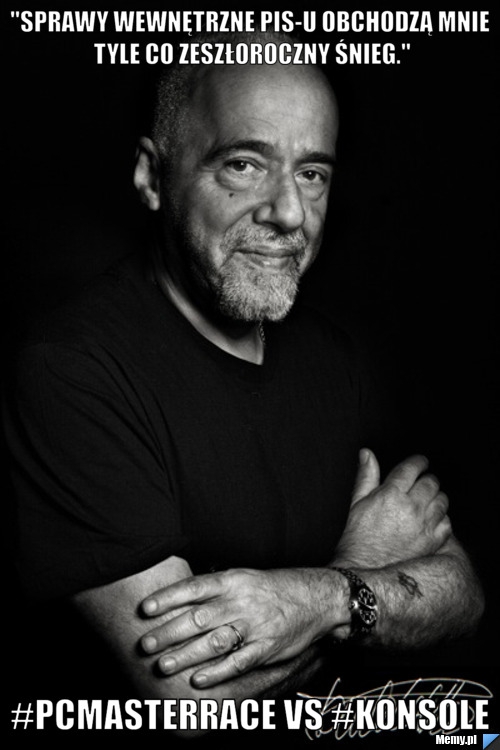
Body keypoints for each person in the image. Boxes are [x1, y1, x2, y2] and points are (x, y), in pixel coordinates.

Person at [5, 33, 483, 733]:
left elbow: (463, 593)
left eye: (312, 173)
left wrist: (321, 599)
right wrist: (359, 570)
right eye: (244, 164)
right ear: (152, 176)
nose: (289, 212)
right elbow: (189, 701)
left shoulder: (334, 358)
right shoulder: (75, 372)